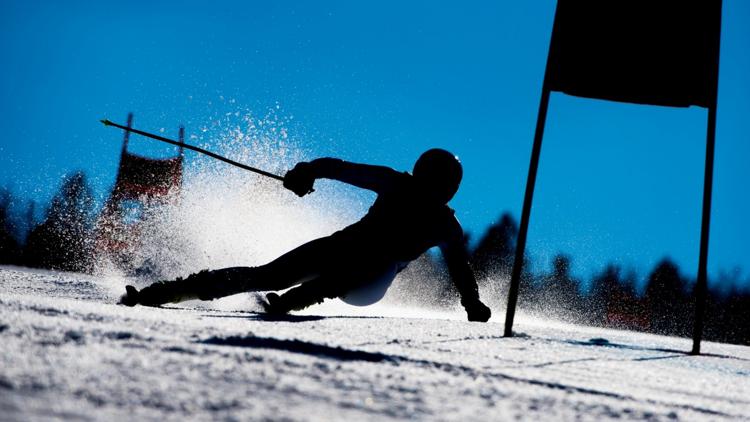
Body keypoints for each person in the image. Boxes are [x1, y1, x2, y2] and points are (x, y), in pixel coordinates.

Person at [120, 149, 492, 322]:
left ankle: (298, 298)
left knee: (373, 259)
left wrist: (471, 303)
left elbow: (460, 269)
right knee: (267, 274)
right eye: (434, 184)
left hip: (370, 283)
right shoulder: (396, 184)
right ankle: (163, 292)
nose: (435, 193)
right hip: (345, 248)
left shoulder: (445, 224)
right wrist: (305, 173)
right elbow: (337, 168)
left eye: (442, 187)